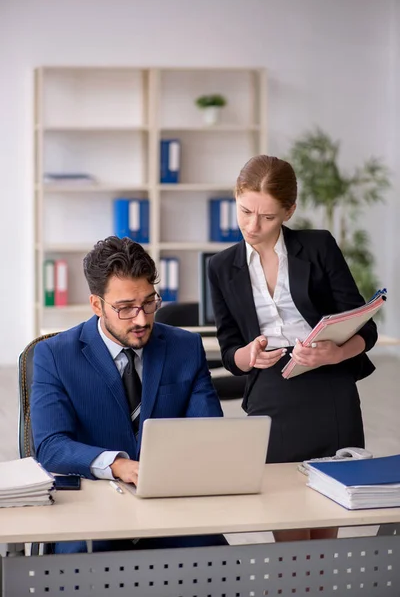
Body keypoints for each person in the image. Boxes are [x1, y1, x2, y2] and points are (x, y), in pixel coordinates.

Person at [208, 155, 378, 540]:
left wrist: (334, 353)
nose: (253, 226)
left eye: (267, 217)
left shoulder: (317, 247)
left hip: (329, 385)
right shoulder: (221, 266)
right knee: (285, 524)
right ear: (236, 198)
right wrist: (248, 355)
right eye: (246, 211)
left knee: (325, 522)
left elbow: (366, 328)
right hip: (271, 387)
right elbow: (230, 349)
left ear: (289, 211)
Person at [31, 236, 224, 553]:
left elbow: (209, 433)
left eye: (149, 302)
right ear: (97, 305)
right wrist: (119, 465)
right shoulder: (54, 355)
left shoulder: (185, 347)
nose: (141, 318)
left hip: (172, 506)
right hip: (90, 509)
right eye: (125, 308)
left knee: (224, 561)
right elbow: (50, 446)